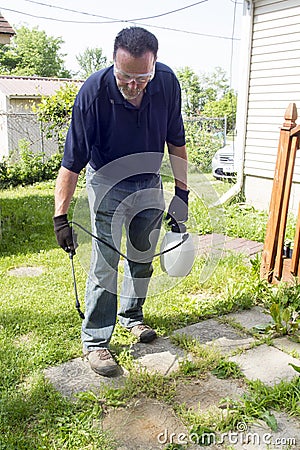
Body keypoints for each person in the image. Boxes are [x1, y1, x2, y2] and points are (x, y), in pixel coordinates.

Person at [53, 26, 189, 377]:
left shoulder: (168, 84)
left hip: (149, 181)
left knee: (142, 257)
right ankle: (96, 342)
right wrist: (61, 217)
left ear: (154, 66)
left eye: (141, 78)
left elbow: (176, 141)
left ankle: (132, 316)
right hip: (107, 182)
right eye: (124, 77)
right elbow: (72, 161)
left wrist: (182, 194)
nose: (133, 85)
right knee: (105, 263)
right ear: (113, 64)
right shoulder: (93, 94)